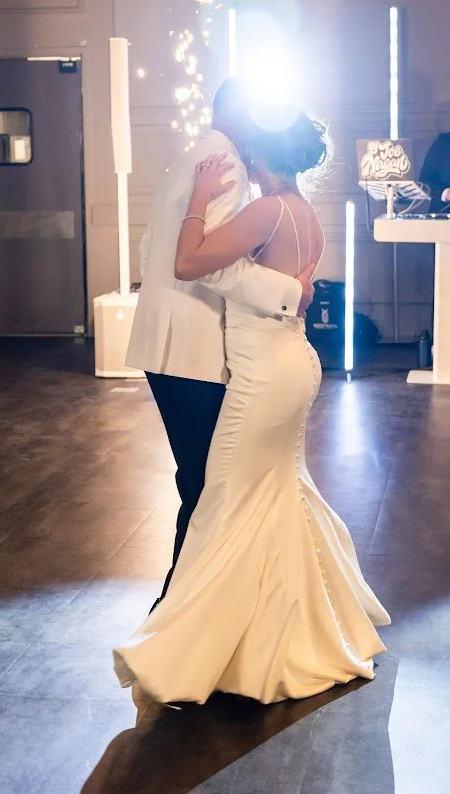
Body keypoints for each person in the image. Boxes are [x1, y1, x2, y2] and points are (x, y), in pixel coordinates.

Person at [114, 108, 390, 706]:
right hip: (290, 365)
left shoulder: (266, 209)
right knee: (271, 492)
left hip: (265, 376)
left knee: (227, 499)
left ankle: (205, 641)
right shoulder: (304, 214)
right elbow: (280, 286)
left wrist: (197, 201)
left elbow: (189, 264)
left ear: (259, 157)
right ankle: (284, 626)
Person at [126, 80, 315, 610]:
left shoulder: (196, 156)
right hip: (193, 345)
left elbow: (150, 247)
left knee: (207, 480)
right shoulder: (225, 164)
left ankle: (188, 607)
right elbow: (208, 264)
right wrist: (288, 291)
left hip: (167, 338)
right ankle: (181, 613)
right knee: (208, 487)